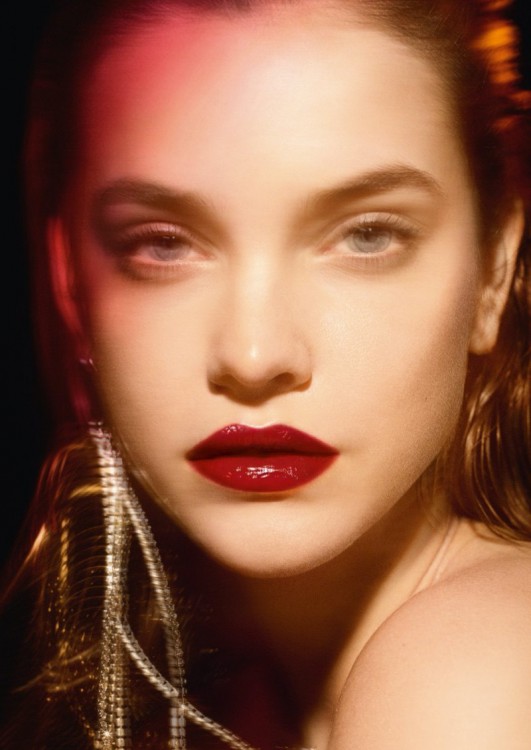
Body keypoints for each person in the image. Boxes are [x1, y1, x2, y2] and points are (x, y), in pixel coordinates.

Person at [1, 0, 530, 747]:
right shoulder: (224, 709)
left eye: (367, 235)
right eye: (163, 245)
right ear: (70, 284)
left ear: (494, 265)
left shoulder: (478, 674)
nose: (254, 358)